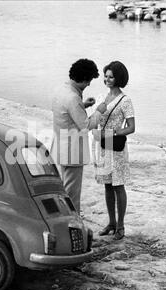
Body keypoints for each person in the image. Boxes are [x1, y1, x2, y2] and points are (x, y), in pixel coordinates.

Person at [51, 59, 108, 214]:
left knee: (63, 187)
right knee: (72, 192)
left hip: (60, 146)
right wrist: (98, 111)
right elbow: (86, 126)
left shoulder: (61, 89)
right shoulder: (73, 98)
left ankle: (64, 217)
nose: (88, 84)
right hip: (72, 150)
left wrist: (84, 105)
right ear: (83, 78)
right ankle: (71, 222)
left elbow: (66, 112)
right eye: (88, 81)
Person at [91, 61, 135, 240]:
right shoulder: (103, 97)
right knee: (107, 185)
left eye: (111, 76)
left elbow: (131, 127)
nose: (107, 79)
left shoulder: (125, 101)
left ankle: (121, 226)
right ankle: (111, 223)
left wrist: (113, 132)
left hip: (114, 143)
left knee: (118, 185)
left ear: (119, 78)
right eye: (106, 76)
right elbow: (94, 119)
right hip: (102, 143)